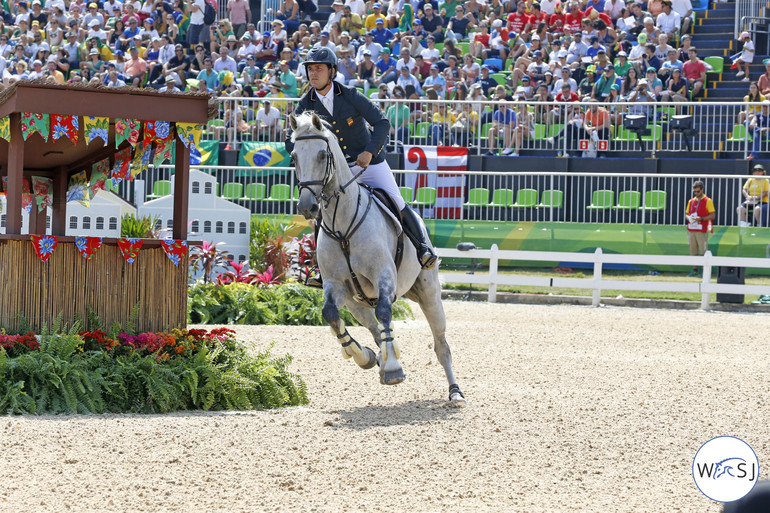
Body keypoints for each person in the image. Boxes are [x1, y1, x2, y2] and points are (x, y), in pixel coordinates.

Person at [284, 47, 438, 288]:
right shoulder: (306, 103)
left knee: (396, 201)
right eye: (310, 69)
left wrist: (369, 151)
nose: (313, 74)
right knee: (325, 215)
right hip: (337, 172)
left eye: (319, 69)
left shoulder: (350, 95)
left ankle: (423, 249)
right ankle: (321, 270)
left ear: (332, 71)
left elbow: (382, 123)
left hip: (369, 164)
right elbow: (289, 140)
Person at [685, 180, 715, 276]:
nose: (696, 193)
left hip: (702, 229)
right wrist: (689, 218)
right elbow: (686, 213)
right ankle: (694, 270)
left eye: (698, 191)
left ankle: (704, 270)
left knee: (703, 250)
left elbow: (712, 215)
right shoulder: (691, 201)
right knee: (693, 250)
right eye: (695, 192)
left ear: (702, 190)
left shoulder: (708, 200)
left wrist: (701, 219)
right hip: (691, 229)